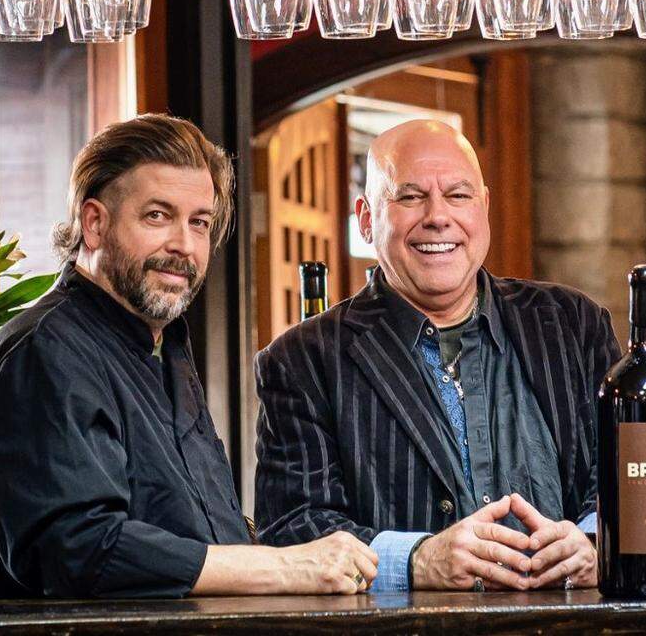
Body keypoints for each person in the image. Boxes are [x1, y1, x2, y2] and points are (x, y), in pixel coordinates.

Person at [0, 113, 376, 600]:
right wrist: (283, 567)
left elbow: (199, 530)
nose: (184, 245)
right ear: (94, 223)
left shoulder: (166, 346)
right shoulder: (43, 349)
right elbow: (79, 550)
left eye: (199, 223)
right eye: (157, 216)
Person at [255, 119, 621, 592]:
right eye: (410, 197)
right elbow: (294, 525)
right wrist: (413, 561)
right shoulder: (302, 361)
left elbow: (623, 474)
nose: (437, 216)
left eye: (458, 195)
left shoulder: (573, 323)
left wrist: (594, 542)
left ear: (484, 207)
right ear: (366, 219)